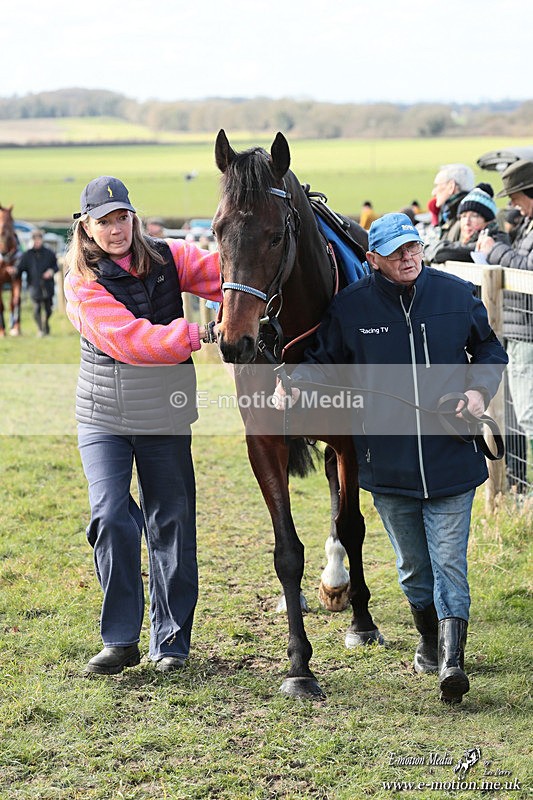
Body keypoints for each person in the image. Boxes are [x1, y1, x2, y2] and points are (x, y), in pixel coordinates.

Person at [274, 212, 508, 704]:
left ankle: (451, 662)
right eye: (397, 251)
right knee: (413, 570)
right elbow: (323, 364)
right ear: (373, 258)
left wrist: (477, 394)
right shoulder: (350, 308)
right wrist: (291, 384)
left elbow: (489, 349)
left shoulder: (453, 294)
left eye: (414, 247)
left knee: (450, 564)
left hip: (453, 455)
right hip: (388, 465)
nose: (409, 257)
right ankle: (427, 639)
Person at [64, 176, 222, 675]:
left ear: (134, 216)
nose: (116, 229)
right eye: (104, 221)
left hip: (165, 413)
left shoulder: (167, 257)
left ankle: (171, 644)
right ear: (87, 227)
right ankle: (121, 640)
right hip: (104, 417)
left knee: (171, 522)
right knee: (111, 516)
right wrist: (201, 333)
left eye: (122, 217)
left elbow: (226, 272)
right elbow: (133, 342)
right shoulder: (81, 282)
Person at [476, 159, 533, 477]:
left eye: (514, 198)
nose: (513, 206)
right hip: (521, 327)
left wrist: (494, 250)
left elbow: (527, 267)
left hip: (527, 330)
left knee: (527, 415)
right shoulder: (527, 224)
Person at [427, 183, 509, 264]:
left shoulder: (496, 240)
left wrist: (430, 249)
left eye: (474, 216)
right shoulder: (466, 239)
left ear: (488, 220)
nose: (467, 222)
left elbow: (442, 253)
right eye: (463, 216)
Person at [16, 229, 58, 336]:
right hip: (34, 286)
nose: (37, 242)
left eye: (39, 239)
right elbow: (20, 268)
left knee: (48, 309)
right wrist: (14, 271)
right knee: (36, 309)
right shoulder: (27, 255)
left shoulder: (49, 253)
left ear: (42, 240)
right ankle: (40, 329)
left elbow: (55, 266)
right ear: (32, 240)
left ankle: (46, 323)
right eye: (35, 240)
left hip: (48, 286)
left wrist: (51, 271)